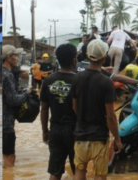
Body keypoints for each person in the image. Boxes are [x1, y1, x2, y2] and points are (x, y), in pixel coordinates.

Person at [72, 39, 121, 180]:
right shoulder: (106, 82)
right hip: (99, 136)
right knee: (99, 175)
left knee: (80, 170)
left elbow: (74, 107)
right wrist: (117, 139)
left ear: (87, 57)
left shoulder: (77, 78)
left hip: (80, 135)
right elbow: (110, 116)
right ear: (105, 58)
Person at [41, 44, 78, 180]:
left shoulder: (48, 80)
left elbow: (44, 109)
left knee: (55, 172)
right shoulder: (78, 80)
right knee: (79, 171)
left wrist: (45, 130)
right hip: (75, 131)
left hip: (55, 130)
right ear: (74, 60)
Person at [2, 44, 32, 168]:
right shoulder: (7, 76)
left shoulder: (2, 73)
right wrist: (27, 93)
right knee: (9, 157)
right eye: (15, 55)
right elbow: (13, 100)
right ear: (9, 58)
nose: (18, 57)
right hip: (7, 124)